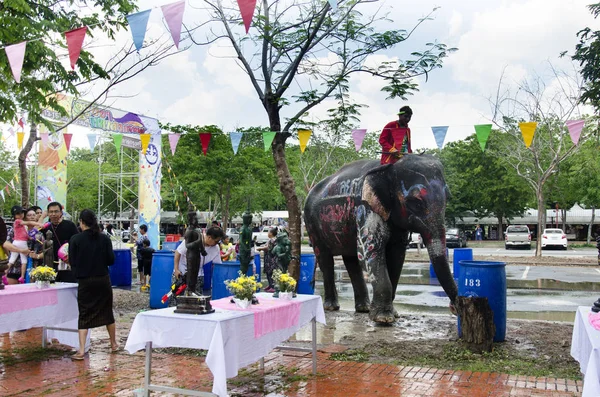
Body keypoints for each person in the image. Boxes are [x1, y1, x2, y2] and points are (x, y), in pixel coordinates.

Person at [68, 209, 117, 360]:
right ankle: (114, 344)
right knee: (107, 311)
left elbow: (73, 262)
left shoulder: (75, 239)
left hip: (85, 280)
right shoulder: (104, 239)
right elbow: (111, 260)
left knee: (84, 314)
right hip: (102, 279)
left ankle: (81, 350)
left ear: (81, 222)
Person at [173, 225, 224, 296]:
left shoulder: (216, 248)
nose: (217, 243)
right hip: (181, 273)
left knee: (196, 300)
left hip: (198, 275)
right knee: (176, 297)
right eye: (216, 241)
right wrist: (176, 269)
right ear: (209, 237)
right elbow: (178, 252)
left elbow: (217, 265)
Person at [39, 202, 79, 282]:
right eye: (51, 212)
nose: (53, 214)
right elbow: (34, 231)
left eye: (56, 211)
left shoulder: (70, 225)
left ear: (61, 212)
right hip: (50, 264)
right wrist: (42, 216)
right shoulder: (46, 226)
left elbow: (77, 242)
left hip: (67, 263)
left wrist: (71, 256)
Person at [6, 206, 44, 283]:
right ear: (24, 217)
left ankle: (23, 276)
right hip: (14, 268)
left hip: (31, 269)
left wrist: (37, 256)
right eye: (29, 215)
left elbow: (44, 251)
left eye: (34, 215)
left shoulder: (39, 234)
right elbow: (6, 244)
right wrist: (21, 250)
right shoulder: (14, 229)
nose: (32, 217)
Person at [257, 227, 278, 292]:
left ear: (271, 233)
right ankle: (270, 285)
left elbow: (268, 247)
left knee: (270, 272)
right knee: (268, 272)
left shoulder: (272, 240)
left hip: (271, 259)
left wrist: (260, 248)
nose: (267, 233)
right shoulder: (272, 239)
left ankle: (272, 286)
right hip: (269, 258)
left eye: (268, 232)